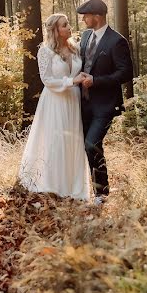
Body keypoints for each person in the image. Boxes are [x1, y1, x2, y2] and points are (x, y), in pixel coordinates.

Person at [18, 13, 92, 201]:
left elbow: (79, 70)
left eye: (67, 24)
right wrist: (71, 81)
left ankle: (73, 185)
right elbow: (47, 79)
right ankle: (53, 183)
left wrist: (82, 78)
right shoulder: (45, 51)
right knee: (56, 139)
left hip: (74, 100)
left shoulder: (76, 48)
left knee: (73, 140)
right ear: (55, 31)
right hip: (55, 100)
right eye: (64, 25)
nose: (69, 27)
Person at [76, 0, 133, 204]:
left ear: (97, 16)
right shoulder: (84, 37)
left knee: (92, 144)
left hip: (105, 105)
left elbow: (125, 73)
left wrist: (96, 81)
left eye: (86, 16)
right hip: (82, 104)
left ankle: (102, 194)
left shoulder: (117, 41)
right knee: (84, 146)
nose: (83, 19)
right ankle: (86, 190)